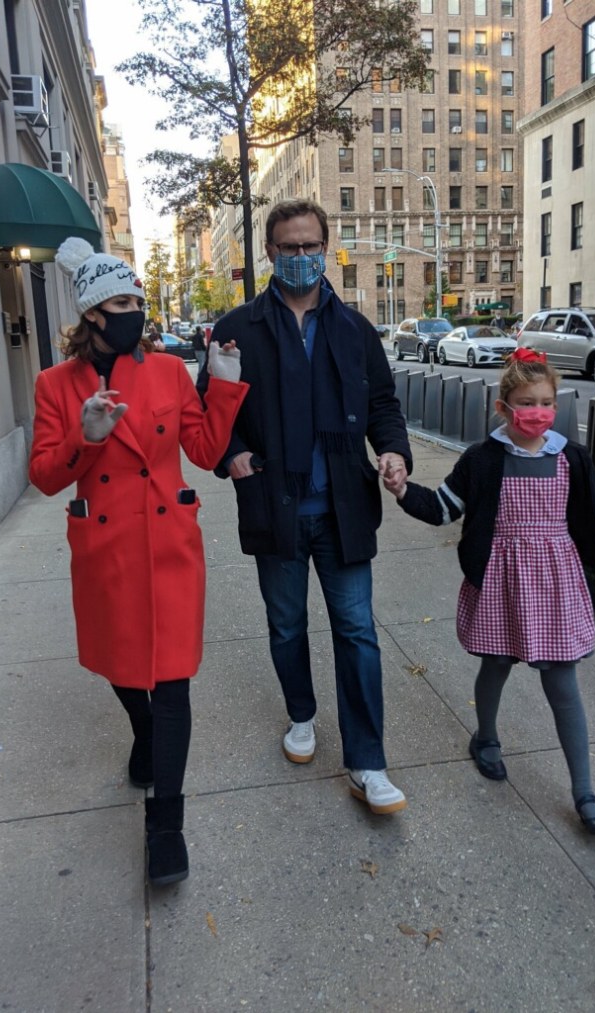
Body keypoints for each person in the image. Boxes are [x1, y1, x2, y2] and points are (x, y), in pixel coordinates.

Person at [28, 237, 248, 885]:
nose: (136, 313)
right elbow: (44, 475)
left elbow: (205, 452)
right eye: (123, 301)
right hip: (106, 550)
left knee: (174, 676)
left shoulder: (167, 372)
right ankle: (142, 729)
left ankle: (166, 825)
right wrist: (86, 437)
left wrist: (226, 387)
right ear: (93, 312)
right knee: (125, 668)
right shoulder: (54, 385)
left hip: (170, 544)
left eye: (138, 301)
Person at [197, 198, 412, 814]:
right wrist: (231, 452)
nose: (300, 258)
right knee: (287, 624)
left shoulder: (354, 330)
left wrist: (394, 452)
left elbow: (383, 408)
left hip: (344, 509)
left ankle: (368, 761)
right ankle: (300, 714)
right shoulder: (236, 330)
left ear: (327, 247)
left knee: (357, 632)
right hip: (275, 506)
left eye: (310, 246)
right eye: (288, 248)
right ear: (269, 252)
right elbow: (209, 406)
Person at [383, 348, 595, 835]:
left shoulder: (571, 457)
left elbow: (592, 516)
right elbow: (444, 508)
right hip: (500, 579)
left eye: (547, 402)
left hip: (554, 582)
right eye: (527, 402)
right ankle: (486, 738)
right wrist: (405, 490)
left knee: (562, 679)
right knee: (496, 662)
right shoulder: (483, 460)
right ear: (504, 407)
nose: (538, 411)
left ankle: (584, 791)